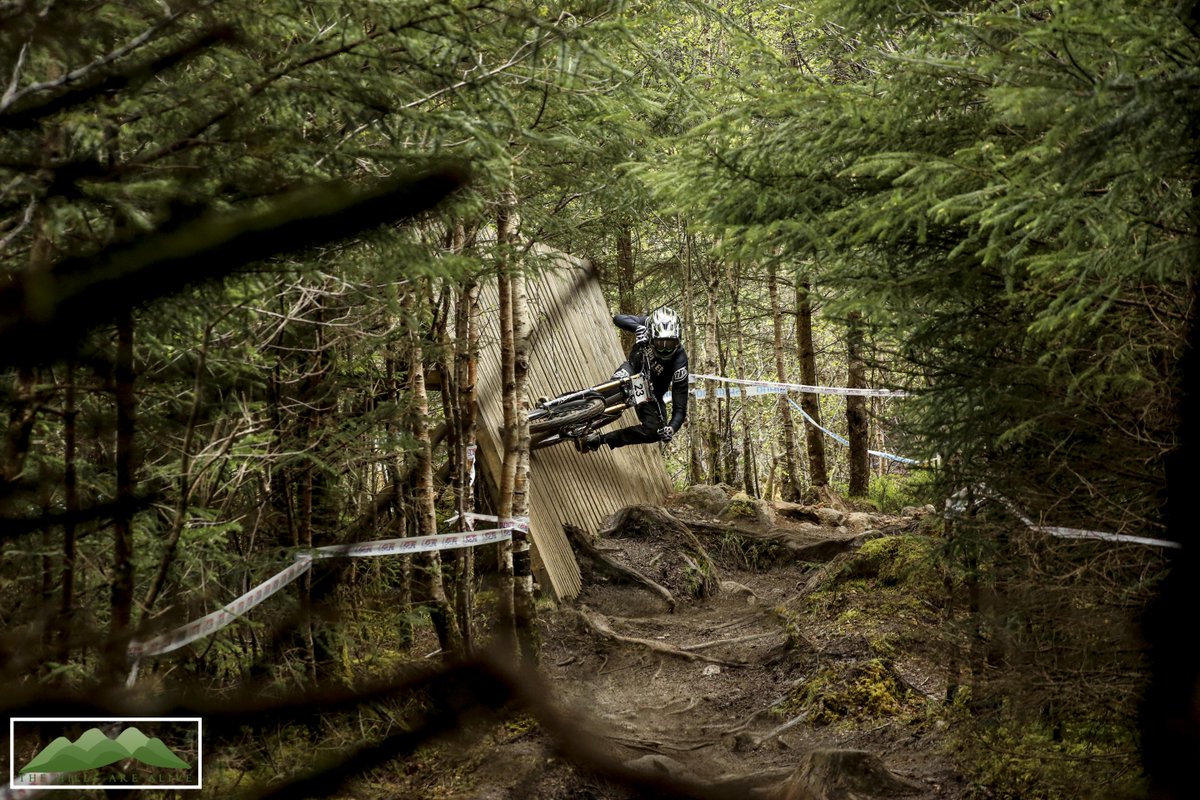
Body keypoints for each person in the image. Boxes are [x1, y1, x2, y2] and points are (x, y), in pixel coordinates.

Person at [577, 305, 689, 452]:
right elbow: (618, 319)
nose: (665, 349)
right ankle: (563, 404)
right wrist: (638, 328)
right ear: (652, 333)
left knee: (654, 431)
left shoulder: (680, 361)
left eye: (670, 344)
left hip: (650, 392)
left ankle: (599, 440)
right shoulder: (648, 324)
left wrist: (672, 428)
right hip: (633, 370)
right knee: (606, 391)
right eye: (659, 343)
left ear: (678, 340)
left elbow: (680, 407)